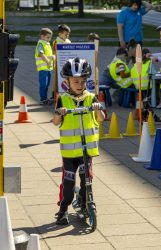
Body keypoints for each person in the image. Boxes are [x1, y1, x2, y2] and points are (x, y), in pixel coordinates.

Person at [53, 57, 104, 225]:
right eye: (76, 81)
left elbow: (101, 118)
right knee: (68, 184)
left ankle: (84, 204)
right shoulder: (63, 99)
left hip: (86, 151)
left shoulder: (91, 98)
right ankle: (63, 209)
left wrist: (98, 109)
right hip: (69, 153)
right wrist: (60, 113)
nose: (80, 84)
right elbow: (55, 122)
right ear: (67, 82)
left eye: (83, 81)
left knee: (86, 181)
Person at [35, 28, 55, 105]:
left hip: (48, 68)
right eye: (47, 37)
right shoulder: (41, 43)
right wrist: (48, 61)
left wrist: (53, 57)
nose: (49, 39)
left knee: (47, 84)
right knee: (43, 84)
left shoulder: (47, 44)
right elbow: (41, 54)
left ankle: (45, 98)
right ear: (42, 36)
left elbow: (49, 55)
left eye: (50, 37)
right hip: (43, 68)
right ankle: (43, 99)